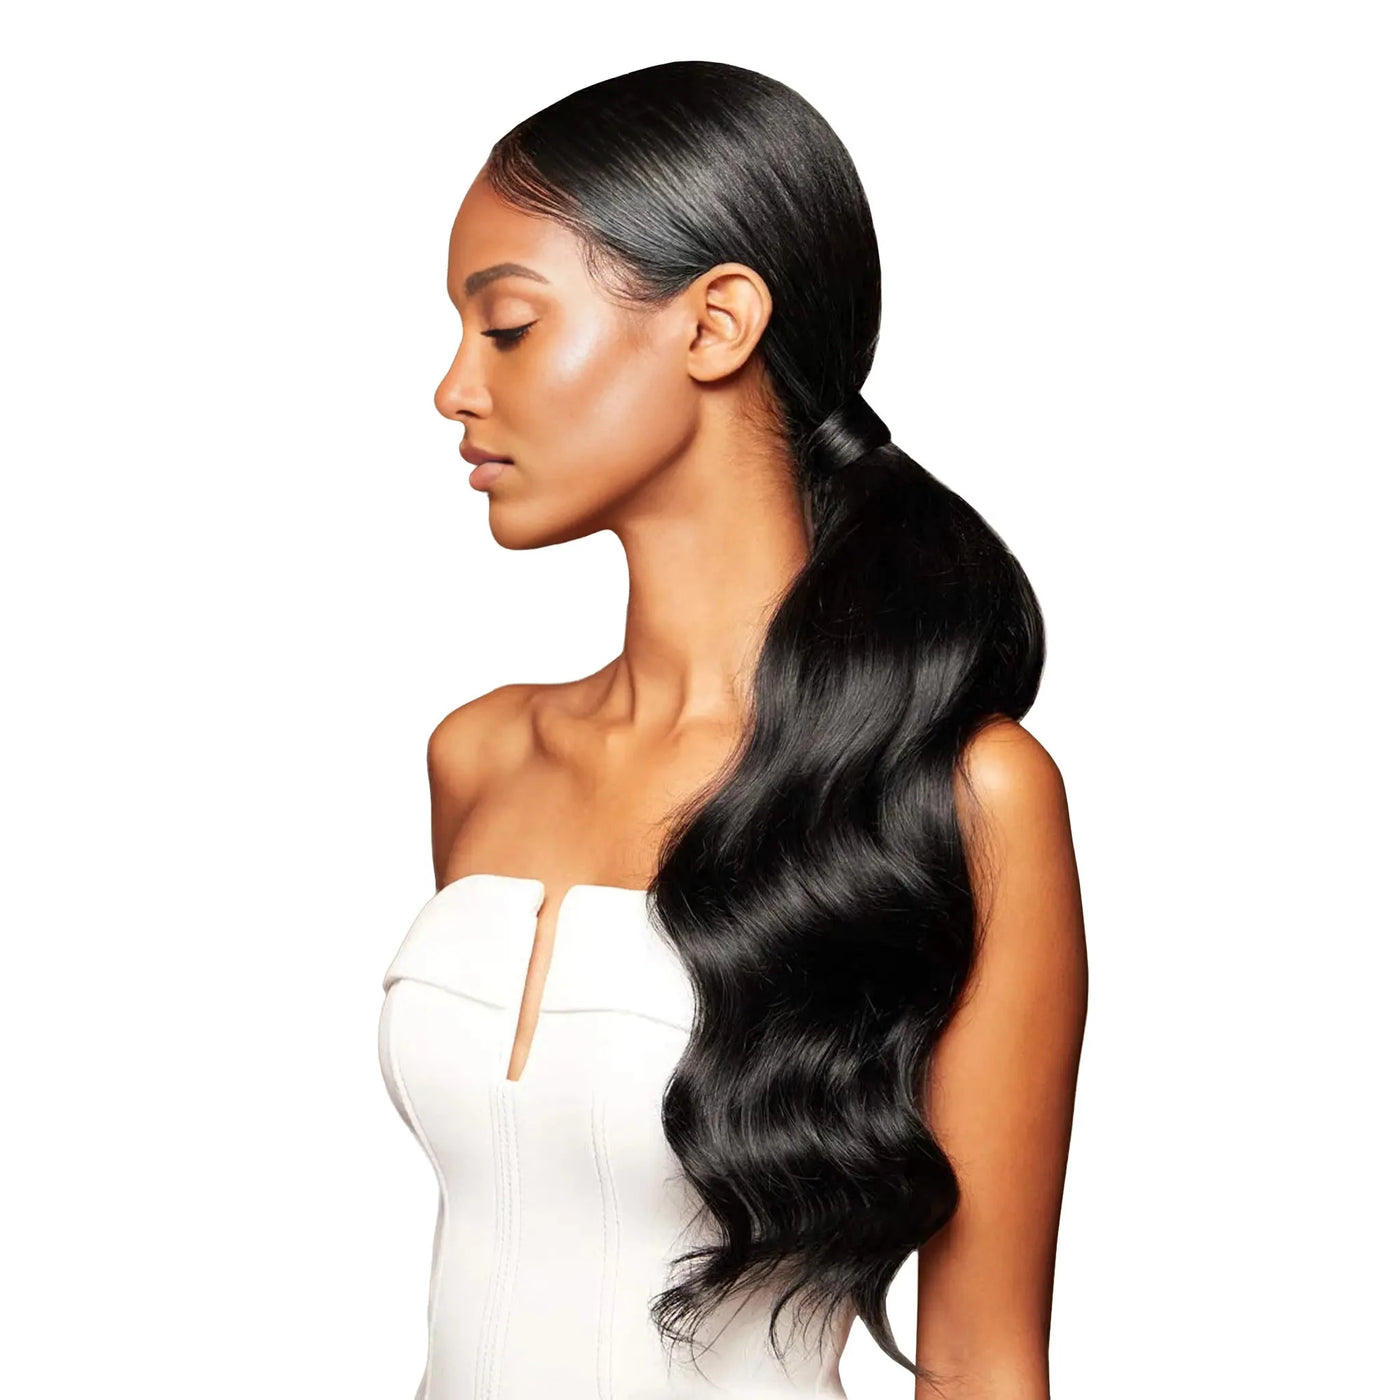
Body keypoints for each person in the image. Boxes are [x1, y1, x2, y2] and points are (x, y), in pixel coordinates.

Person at [378, 59, 1088, 1400]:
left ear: (716, 323)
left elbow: (985, 1363)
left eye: (508, 326)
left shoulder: (964, 795)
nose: (453, 388)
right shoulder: (480, 758)